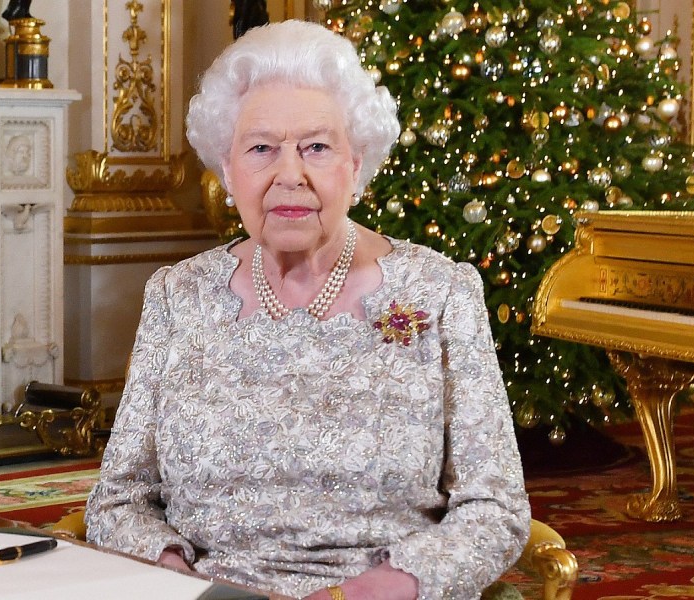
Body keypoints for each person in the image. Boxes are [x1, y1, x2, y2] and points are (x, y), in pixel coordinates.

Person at [85, 19, 530, 600]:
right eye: (261, 148)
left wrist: (366, 593)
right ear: (226, 168)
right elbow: (118, 500)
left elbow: (495, 509)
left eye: (316, 147)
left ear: (356, 164)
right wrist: (174, 573)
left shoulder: (440, 293)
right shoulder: (178, 296)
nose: (287, 174)